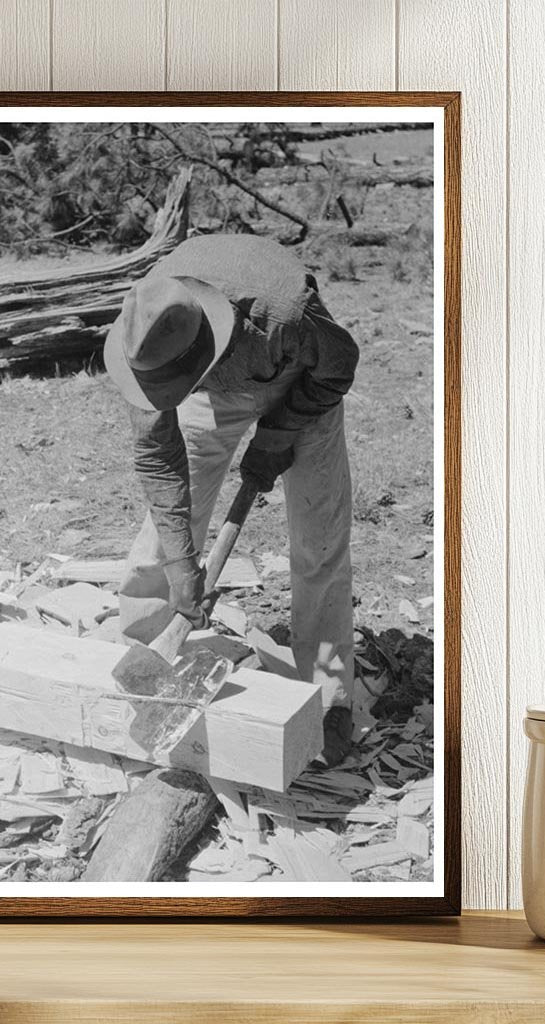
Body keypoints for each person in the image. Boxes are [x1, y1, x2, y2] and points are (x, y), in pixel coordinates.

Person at [104, 232, 360, 766]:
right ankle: (153, 648)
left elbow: (338, 364)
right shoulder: (144, 335)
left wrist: (280, 431)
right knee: (163, 540)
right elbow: (158, 459)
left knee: (320, 541)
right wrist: (183, 564)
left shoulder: (282, 311)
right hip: (211, 393)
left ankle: (329, 698)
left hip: (300, 382)